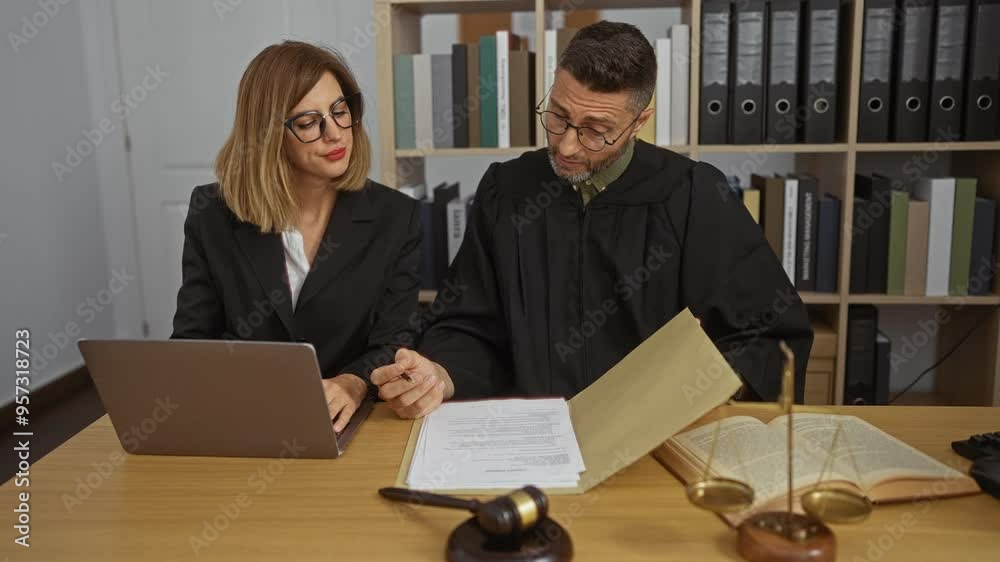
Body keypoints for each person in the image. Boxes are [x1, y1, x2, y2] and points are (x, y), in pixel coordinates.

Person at [372, 22, 814, 419]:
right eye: (559, 116)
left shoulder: (693, 195)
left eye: (596, 130)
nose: (567, 147)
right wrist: (440, 374)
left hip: (656, 438)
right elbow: (469, 325)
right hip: (529, 435)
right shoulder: (506, 191)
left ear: (639, 122)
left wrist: (703, 377)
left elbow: (769, 335)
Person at [172, 41, 422, 432]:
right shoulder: (213, 214)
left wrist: (353, 383)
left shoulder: (397, 216)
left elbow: (395, 340)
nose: (335, 134)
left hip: (351, 425)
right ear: (268, 135)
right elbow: (193, 342)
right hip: (242, 419)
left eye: (340, 111)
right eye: (308, 123)